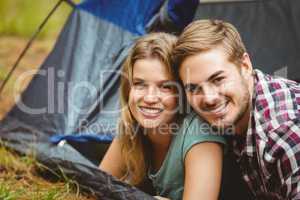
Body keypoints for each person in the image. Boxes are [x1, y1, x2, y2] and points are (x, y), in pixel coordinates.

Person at [172, 19, 300, 199]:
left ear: (245, 66)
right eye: (193, 88)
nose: (209, 98)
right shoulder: (234, 112)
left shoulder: (285, 134)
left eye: (218, 79)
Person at [99, 32, 226, 200]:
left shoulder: (199, 134)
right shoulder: (131, 128)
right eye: (139, 84)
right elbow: (95, 187)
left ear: (181, 93)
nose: (150, 98)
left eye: (165, 86)